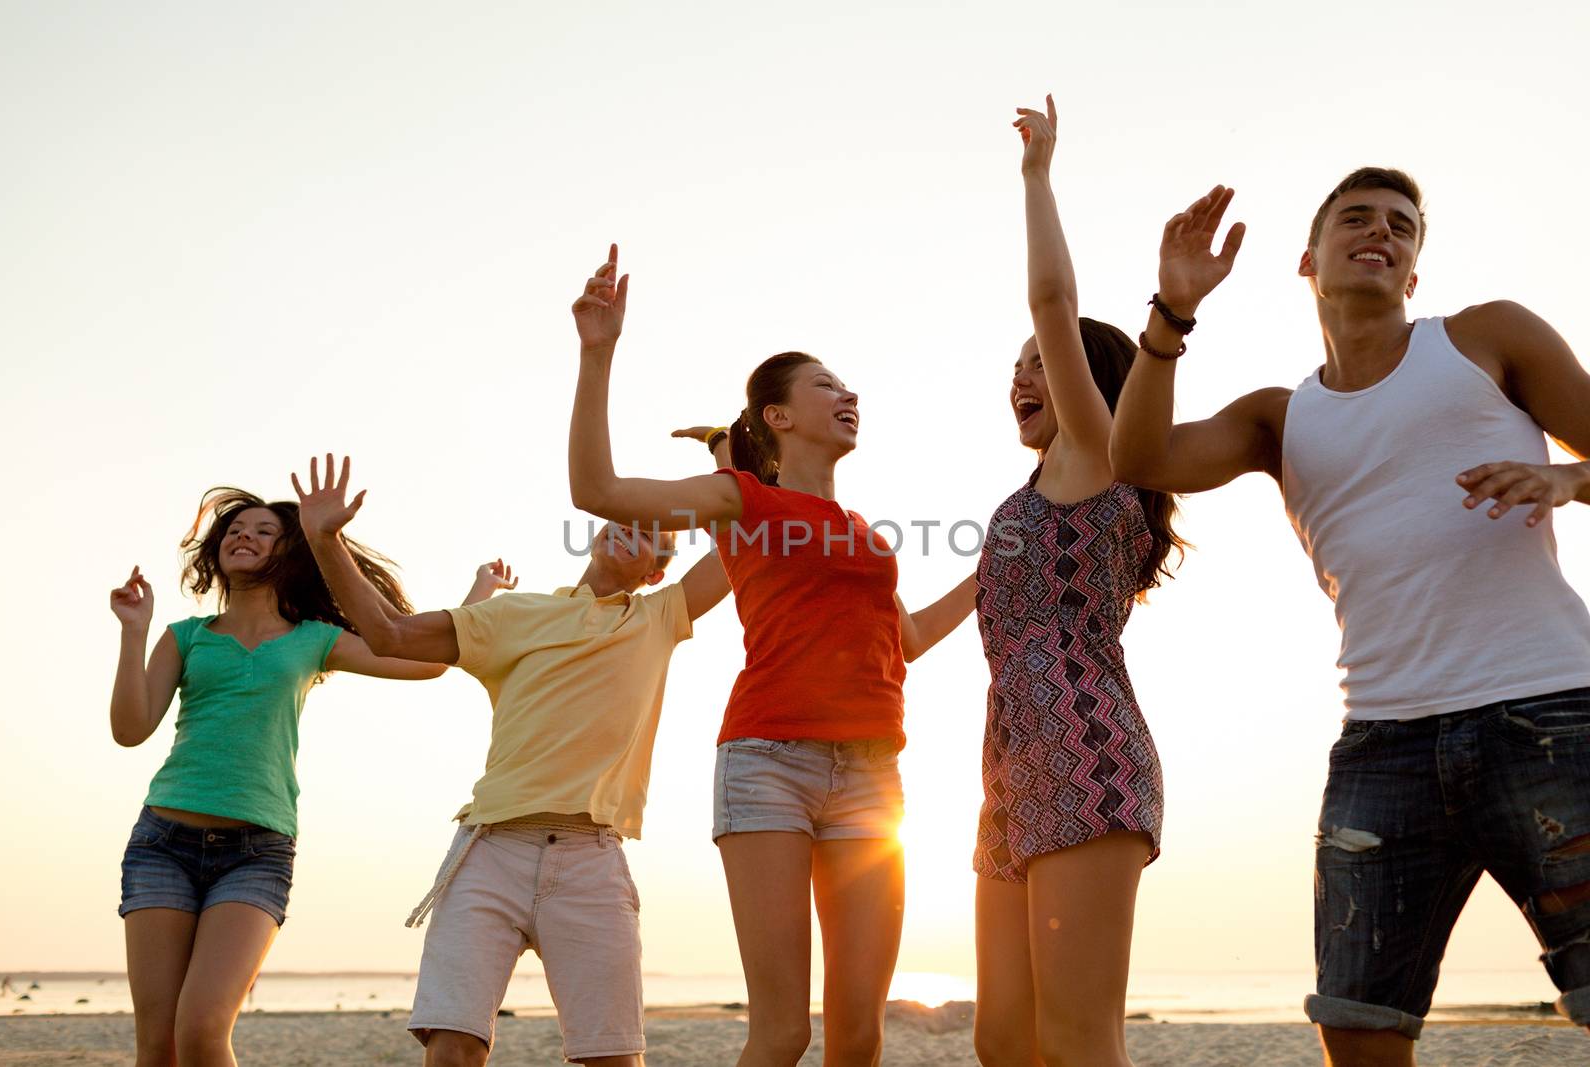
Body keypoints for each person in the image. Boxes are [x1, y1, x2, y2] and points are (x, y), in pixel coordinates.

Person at [1109, 170, 1590, 1065]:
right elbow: (1138, 457)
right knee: (1357, 1022)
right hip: (1383, 742)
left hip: (1552, 714)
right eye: (1356, 219)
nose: (1382, 231)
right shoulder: (1279, 418)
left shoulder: (1489, 336)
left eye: (1402, 226)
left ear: (1413, 274)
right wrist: (1171, 312)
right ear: (1308, 261)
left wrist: (1569, 477)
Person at [568, 245, 977, 1067]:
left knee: (860, 1034)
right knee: (784, 1031)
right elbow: (597, 489)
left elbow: (910, 642)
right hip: (768, 764)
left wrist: (991, 570)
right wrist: (598, 353)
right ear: (779, 417)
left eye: (847, 384)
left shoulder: (866, 537)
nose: (847, 393)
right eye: (825, 384)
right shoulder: (743, 500)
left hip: (872, 775)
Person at [291, 453, 732, 1067]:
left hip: (592, 860)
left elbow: (745, 537)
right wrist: (324, 539)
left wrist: (728, 461)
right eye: (624, 518)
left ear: (658, 570)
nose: (632, 527)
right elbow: (391, 634)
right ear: (601, 529)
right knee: (453, 1048)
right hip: (490, 850)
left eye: (652, 534)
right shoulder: (512, 614)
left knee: (612, 1057)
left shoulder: (660, 617)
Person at [970, 97, 1187, 1067]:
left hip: (1085, 749)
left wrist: (1034, 176)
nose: (1021, 378)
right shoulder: (1025, 499)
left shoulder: (1097, 457)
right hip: (1011, 767)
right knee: (1002, 1042)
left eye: (1038, 369)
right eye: (1012, 369)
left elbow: (1053, 303)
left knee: (1075, 1041)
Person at [109, 485, 464, 1067]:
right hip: (161, 846)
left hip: (256, 853)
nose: (243, 535)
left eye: (263, 531)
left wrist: (476, 598)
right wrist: (133, 629)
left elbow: (425, 662)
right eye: (235, 530)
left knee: (200, 1030)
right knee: (159, 1045)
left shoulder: (313, 639)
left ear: (289, 555)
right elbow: (130, 728)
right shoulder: (186, 636)